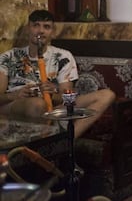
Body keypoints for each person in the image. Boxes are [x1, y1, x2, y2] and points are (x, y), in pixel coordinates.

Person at [0, 10, 115, 138]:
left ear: (53, 32)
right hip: (16, 105)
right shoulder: (8, 57)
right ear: (28, 29)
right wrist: (15, 95)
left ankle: (66, 141)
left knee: (107, 95)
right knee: (37, 104)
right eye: (36, 25)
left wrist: (53, 93)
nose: (41, 31)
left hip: (52, 108)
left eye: (46, 27)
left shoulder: (63, 56)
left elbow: (66, 98)